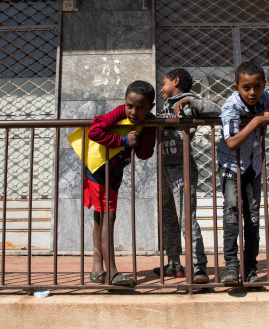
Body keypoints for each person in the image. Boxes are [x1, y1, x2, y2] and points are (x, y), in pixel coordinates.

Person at [217, 60, 269, 284]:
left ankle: (251, 269)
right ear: (236, 87)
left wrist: (268, 112)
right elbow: (232, 142)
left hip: (253, 166)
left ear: (264, 85)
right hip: (231, 166)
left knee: (252, 219)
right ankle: (232, 267)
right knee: (231, 216)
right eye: (246, 87)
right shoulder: (230, 106)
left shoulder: (266, 97)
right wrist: (256, 121)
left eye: (257, 86)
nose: (252, 92)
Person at [153, 68, 221, 284]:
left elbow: (216, 110)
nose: (161, 88)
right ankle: (173, 263)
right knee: (168, 217)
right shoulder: (165, 105)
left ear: (176, 81)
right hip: (164, 167)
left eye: (163, 83)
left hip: (181, 168)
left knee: (186, 219)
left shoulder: (189, 100)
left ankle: (199, 267)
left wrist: (192, 103)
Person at [86, 80, 156, 286]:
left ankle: (97, 268)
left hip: (113, 174)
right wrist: (124, 141)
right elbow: (94, 132)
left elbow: (143, 154)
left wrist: (148, 128)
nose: (133, 112)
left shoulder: (146, 120)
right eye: (130, 105)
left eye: (141, 108)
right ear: (124, 103)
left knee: (100, 218)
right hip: (99, 171)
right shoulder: (118, 113)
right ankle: (113, 272)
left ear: (150, 107)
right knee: (108, 217)